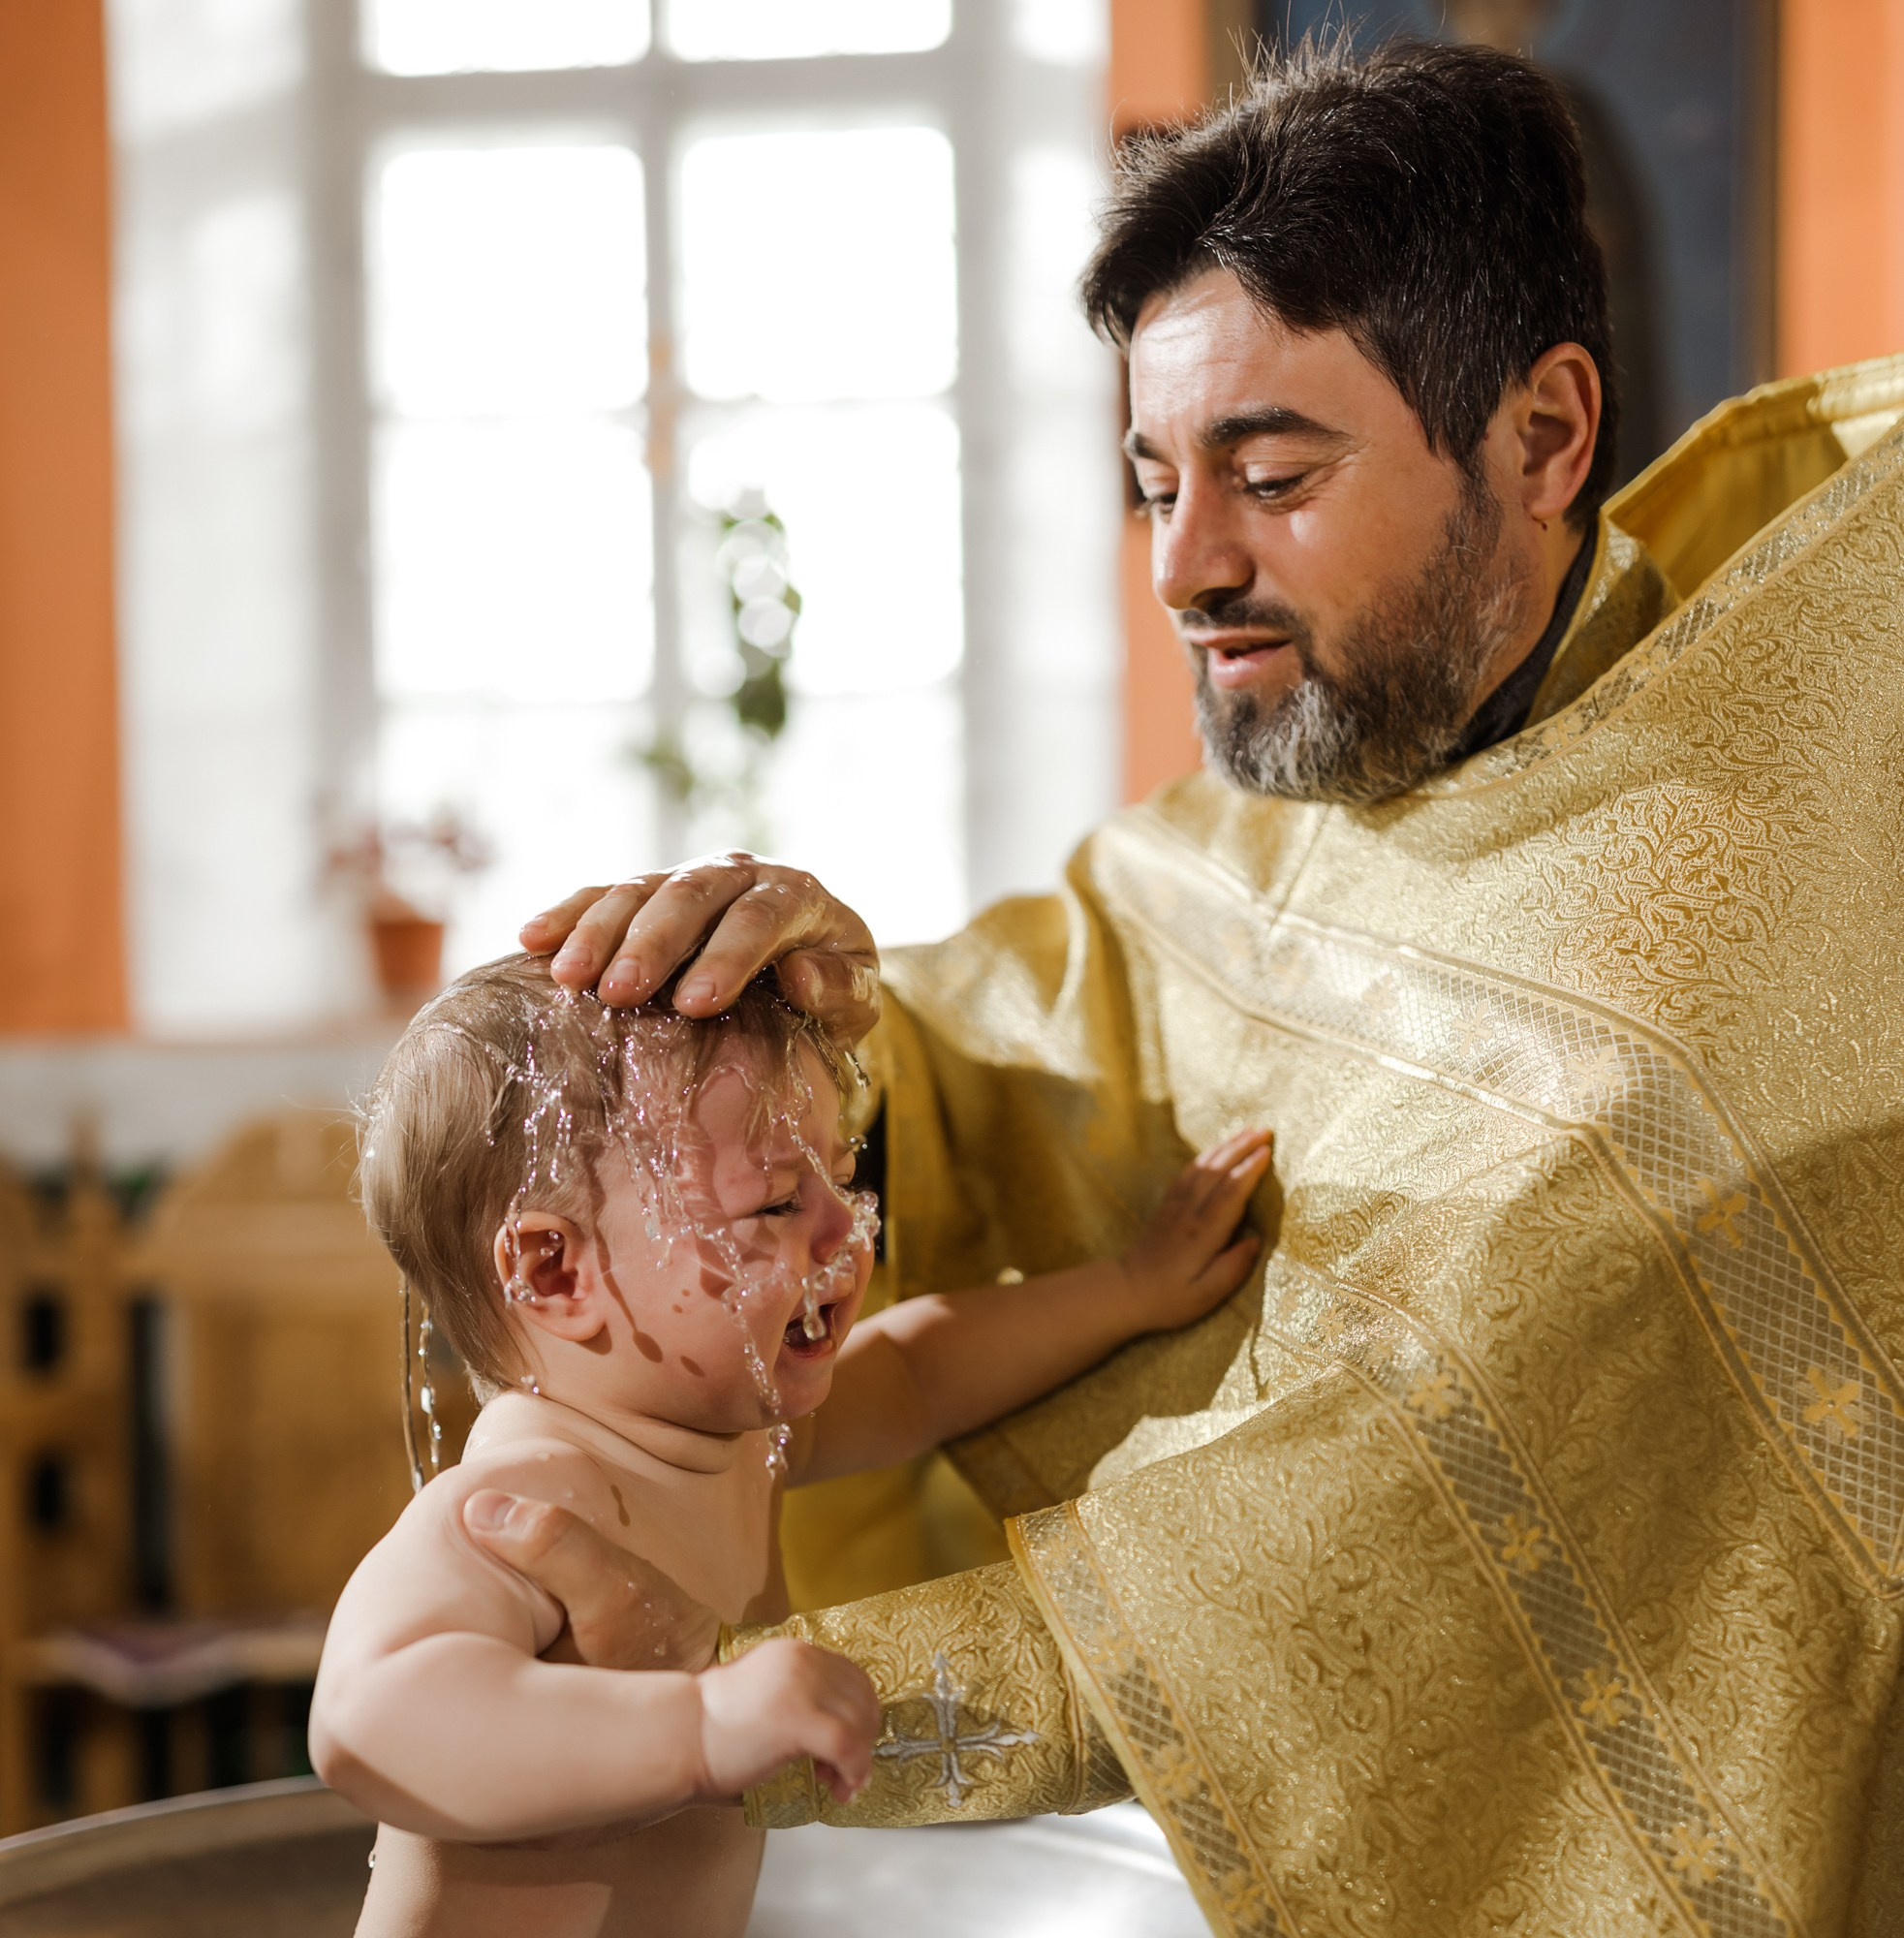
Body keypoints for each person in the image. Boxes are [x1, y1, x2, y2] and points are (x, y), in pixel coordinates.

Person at [465, 37, 1904, 1938]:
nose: (1185, 564)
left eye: (1270, 472)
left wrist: (706, 1720)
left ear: (1544, 438)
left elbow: (1348, 1560)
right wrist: (750, 1031)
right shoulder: (1250, 835)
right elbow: (1002, 1044)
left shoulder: (1754, 851)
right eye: (1151, 478)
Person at [311, 954, 1271, 1937]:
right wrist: (699, 1728)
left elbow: (917, 1373)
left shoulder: (726, 1435)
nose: (846, 1231)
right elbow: (368, 1719)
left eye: (842, 1177)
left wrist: (1127, 1289)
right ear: (556, 1269)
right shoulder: (531, 1496)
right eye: (774, 1203)